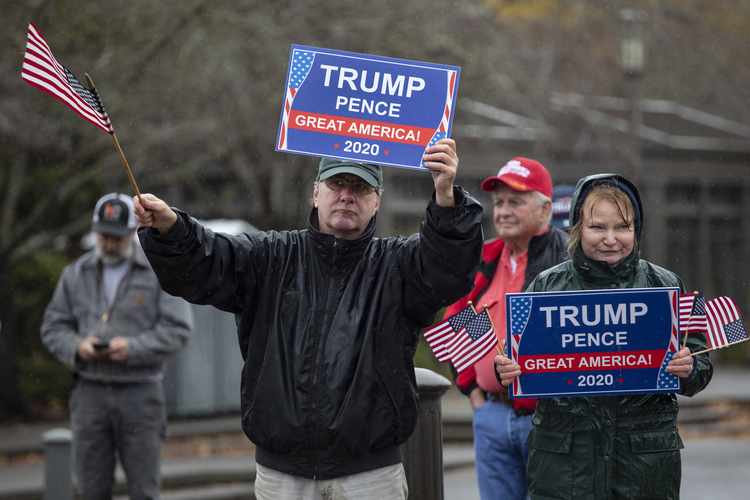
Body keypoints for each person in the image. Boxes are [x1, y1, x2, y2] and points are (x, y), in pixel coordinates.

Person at [133, 138, 483, 500]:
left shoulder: (398, 265)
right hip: (282, 477)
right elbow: (207, 261)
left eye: (360, 187)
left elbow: (447, 270)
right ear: (316, 193)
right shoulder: (269, 257)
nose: (346, 195)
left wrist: (445, 199)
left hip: (371, 476)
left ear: (377, 201)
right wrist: (171, 229)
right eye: (337, 183)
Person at [495, 173, 713, 500]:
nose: (610, 239)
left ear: (636, 229)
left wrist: (690, 368)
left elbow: (700, 365)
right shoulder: (546, 286)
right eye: (597, 227)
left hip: (644, 465)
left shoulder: (665, 285)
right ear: (577, 228)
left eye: (622, 227)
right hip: (565, 466)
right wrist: (506, 370)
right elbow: (516, 362)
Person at [40, 193, 193, 500]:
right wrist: (77, 346)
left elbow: (178, 329)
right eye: (103, 236)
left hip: (140, 393)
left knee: (144, 490)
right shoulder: (76, 274)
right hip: (89, 393)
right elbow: (53, 327)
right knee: (90, 489)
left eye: (117, 237)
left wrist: (132, 347)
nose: (109, 244)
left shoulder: (158, 272)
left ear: (133, 232)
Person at [441, 157, 568, 500]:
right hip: (491, 418)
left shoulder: (567, 262)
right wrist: (473, 391)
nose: (503, 212)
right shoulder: (484, 259)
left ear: (545, 209)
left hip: (551, 422)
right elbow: (457, 320)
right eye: (499, 203)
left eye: (515, 202)